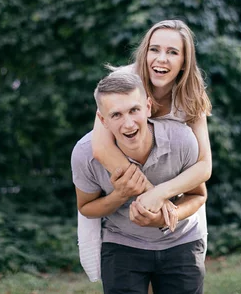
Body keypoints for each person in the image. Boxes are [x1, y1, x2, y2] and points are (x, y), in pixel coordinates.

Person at [76, 20, 213, 282]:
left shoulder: (191, 92)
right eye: (154, 49)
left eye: (173, 52)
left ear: (185, 60)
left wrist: (163, 197)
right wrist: (151, 198)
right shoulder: (122, 82)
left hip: (175, 189)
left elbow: (204, 166)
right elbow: (102, 146)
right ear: (144, 52)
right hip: (128, 204)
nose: (161, 59)